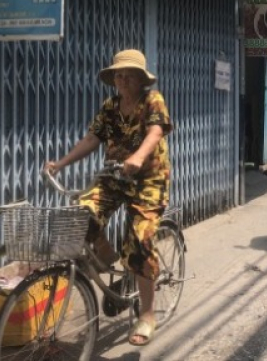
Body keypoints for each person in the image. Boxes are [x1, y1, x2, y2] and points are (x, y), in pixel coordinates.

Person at [45, 49, 172, 347]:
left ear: (141, 79)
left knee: (140, 241)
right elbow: (91, 139)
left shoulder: (152, 100)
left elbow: (155, 132)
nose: (123, 79)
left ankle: (148, 314)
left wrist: (139, 157)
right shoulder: (110, 106)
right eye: (118, 74)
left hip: (149, 180)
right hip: (115, 176)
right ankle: (105, 252)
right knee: (81, 214)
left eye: (129, 74)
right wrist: (60, 164)